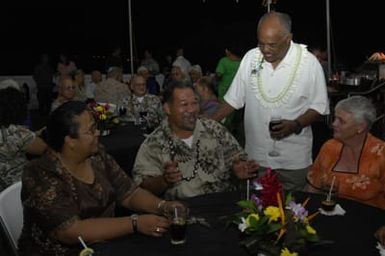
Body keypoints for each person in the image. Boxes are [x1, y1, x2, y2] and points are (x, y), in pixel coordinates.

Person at [18, 101, 180, 255]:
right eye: (91, 130)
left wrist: (162, 206)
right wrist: (135, 223)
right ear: (70, 141)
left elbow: (129, 193)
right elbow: (71, 231)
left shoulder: (96, 157)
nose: (98, 133)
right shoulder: (40, 173)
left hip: (105, 246)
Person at [211, 11, 329, 191]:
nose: (265, 49)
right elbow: (232, 101)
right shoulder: (251, 58)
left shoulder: (309, 64)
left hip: (293, 162)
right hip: (256, 160)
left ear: (289, 38)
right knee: (256, 213)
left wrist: (296, 124)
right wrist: (206, 122)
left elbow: (319, 107)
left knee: (292, 213)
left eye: (272, 45)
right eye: (261, 43)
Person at [132, 81, 259, 199]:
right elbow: (142, 187)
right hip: (183, 212)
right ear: (167, 108)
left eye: (195, 103)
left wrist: (238, 170)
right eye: (184, 104)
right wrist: (164, 180)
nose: (192, 110)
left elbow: (237, 160)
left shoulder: (214, 129)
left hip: (222, 204)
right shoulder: (154, 143)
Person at [307, 96, 385, 209]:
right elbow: (313, 188)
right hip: (329, 215)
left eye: (341, 121)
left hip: (370, 221)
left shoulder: (381, 154)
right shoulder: (329, 147)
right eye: (335, 118)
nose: (334, 123)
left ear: (361, 127)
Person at [0, 79, 47, 192]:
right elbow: (44, 148)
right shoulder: (17, 132)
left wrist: (34, 134)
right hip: (17, 187)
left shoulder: (8, 131)